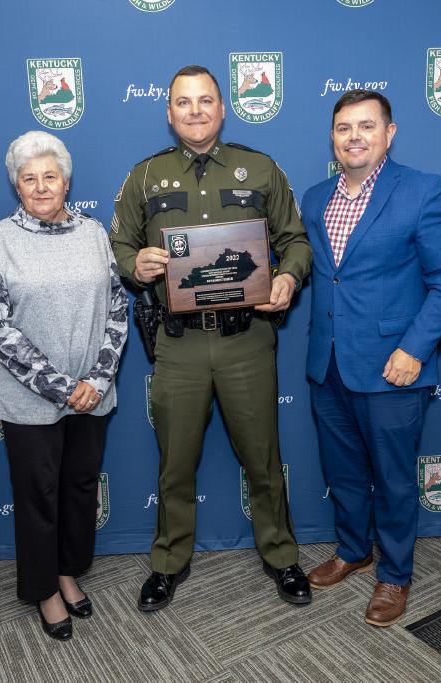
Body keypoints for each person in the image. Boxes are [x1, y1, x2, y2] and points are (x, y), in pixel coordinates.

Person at [110, 64, 313, 610]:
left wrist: (289, 276)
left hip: (247, 339)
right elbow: (119, 248)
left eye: (205, 101)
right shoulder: (145, 177)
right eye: (183, 102)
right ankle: (168, 561)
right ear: (168, 112)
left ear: (223, 108)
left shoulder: (261, 168)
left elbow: (295, 241)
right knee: (174, 461)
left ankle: (282, 555)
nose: (195, 111)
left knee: (264, 458)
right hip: (178, 344)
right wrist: (139, 264)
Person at [301, 90, 441, 627]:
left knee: (395, 480)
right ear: (332, 137)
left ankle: (395, 576)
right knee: (345, 473)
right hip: (327, 363)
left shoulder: (423, 190)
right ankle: (354, 550)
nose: (354, 137)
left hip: (394, 365)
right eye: (344, 127)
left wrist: (413, 350)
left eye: (366, 126)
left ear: (388, 134)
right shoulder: (315, 196)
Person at [0, 131, 128, 641]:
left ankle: (68, 572)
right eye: (28, 178)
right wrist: (63, 387)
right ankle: (43, 588)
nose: (41, 187)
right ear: (16, 186)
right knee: (38, 495)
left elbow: (117, 308)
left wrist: (98, 378)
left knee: (79, 490)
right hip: (31, 399)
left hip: (94, 394)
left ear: (66, 182)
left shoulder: (94, 233)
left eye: (50, 177)